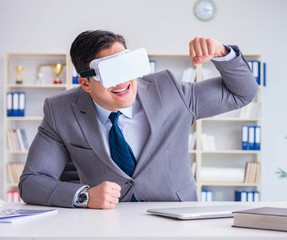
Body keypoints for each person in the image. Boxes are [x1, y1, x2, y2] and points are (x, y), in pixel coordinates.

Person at [19, 30, 258, 209]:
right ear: (85, 83)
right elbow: (32, 182)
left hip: (175, 214)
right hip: (106, 223)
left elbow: (241, 93)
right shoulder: (61, 110)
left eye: (125, 65)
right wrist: (84, 196)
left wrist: (223, 54)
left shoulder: (170, 91)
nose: (122, 81)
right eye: (109, 72)